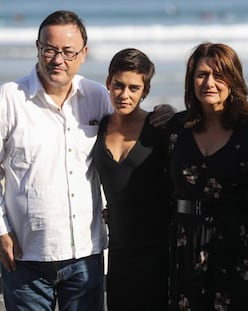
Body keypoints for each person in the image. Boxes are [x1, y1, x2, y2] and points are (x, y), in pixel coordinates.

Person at [0, 10, 172, 311]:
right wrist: (0, 230)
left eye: (68, 51)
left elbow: (130, 113)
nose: (58, 59)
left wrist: (166, 113)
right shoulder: (9, 100)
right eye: (50, 49)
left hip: (86, 257)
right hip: (26, 257)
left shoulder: (96, 96)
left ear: (83, 54)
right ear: (38, 48)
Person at [167, 42, 248, 311]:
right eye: (202, 74)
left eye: (219, 74)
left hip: (239, 247)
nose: (209, 82)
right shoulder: (175, 128)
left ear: (233, 79)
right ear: (191, 80)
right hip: (186, 244)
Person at [92, 48, 171, 310]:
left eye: (134, 88)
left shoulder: (160, 128)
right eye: (118, 85)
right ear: (108, 83)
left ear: (145, 91)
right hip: (117, 253)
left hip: (158, 254)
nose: (124, 95)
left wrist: (174, 115)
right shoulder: (97, 127)